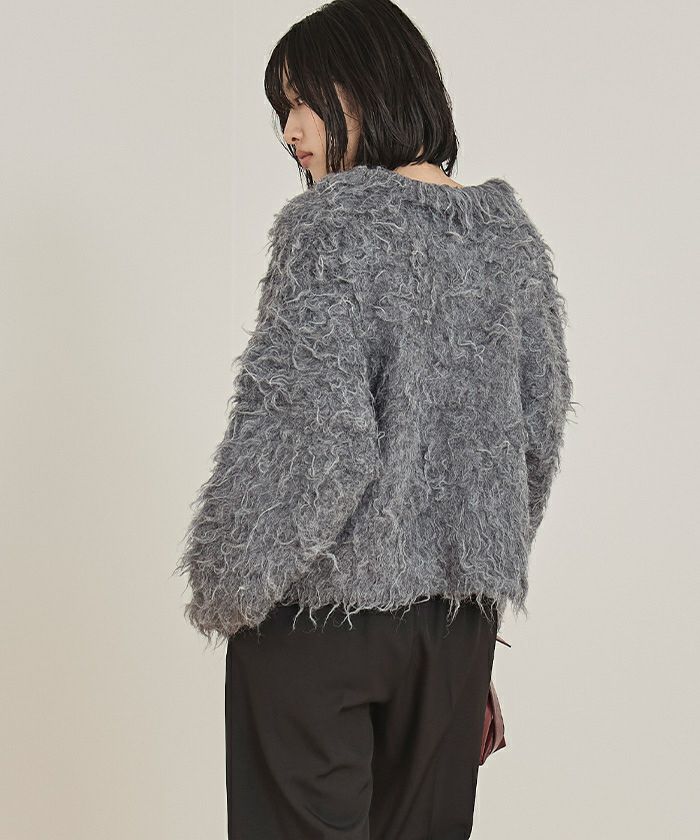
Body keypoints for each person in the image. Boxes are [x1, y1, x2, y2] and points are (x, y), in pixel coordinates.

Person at [173, 1, 575, 837]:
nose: (290, 131)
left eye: (303, 102)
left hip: (318, 623)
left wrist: (228, 587)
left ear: (366, 86)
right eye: (282, 109)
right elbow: (535, 442)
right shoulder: (510, 238)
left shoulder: (331, 226)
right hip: (452, 636)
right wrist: (472, 601)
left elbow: (309, 436)